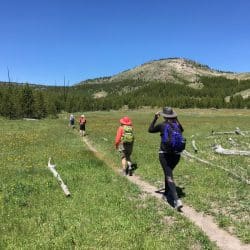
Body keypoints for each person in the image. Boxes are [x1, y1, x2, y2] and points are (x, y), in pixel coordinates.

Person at [148, 107, 184, 210]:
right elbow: (182, 130)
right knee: (168, 172)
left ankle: (176, 199)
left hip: (165, 154)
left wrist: (155, 118)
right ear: (173, 116)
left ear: (164, 116)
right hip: (177, 155)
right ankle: (166, 194)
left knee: (168, 175)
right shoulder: (177, 125)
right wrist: (176, 118)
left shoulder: (162, 125)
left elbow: (150, 130)